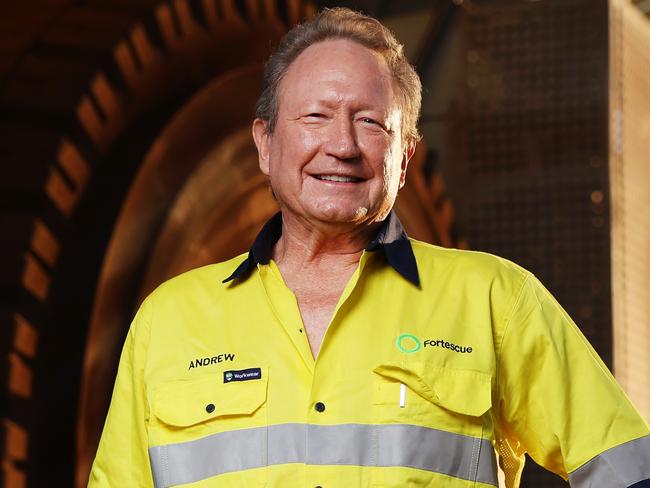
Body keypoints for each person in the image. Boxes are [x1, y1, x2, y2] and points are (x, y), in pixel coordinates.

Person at [88, 7, 650, 488]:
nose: (342, 145)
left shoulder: (497, 301)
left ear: (405, 157)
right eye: (315, 116)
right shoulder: (167, 320)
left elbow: (628, 471)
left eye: (371, 123)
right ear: (265, 144)